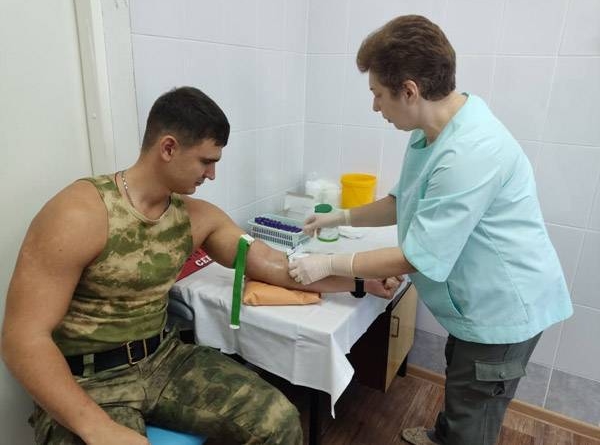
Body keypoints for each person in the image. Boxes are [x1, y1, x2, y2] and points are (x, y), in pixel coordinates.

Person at [1, 86, 400, 445]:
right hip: (89, 378)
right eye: (206, 161)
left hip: (163, 361)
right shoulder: (79, 214)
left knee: (278, 421)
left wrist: (359, 280)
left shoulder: (197, 217)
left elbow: (277, 266)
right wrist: (96, 426)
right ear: (168, 148)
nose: (212, 174)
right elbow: (22, 338)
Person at [288, 15, 573, 445]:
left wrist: (327, 263)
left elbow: (414, 256)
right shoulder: (431, 132)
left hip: (503, 308)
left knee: (475, 411)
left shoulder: (470, 151)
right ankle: (446, 434)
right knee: (461, 379)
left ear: (409, 91)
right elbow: (401, 203)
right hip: (474, 301)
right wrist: (339, 218)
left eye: (377, 94)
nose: (375, 107)